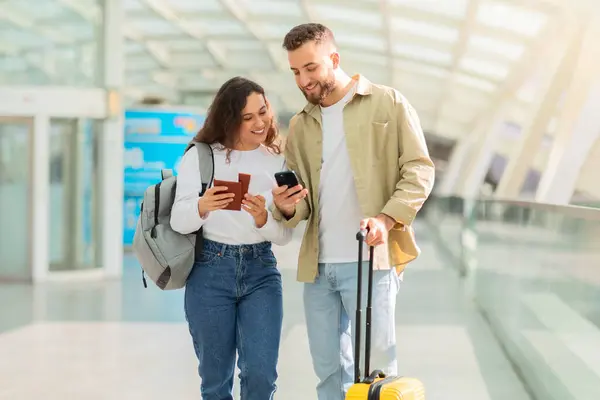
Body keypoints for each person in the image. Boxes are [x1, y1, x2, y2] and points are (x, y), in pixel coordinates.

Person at [270, 23, 435, 400]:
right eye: (295, 71)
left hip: (371, 262)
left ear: (334, 58)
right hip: (318, 267)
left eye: (310, 68)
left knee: (378, 378)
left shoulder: (388, 103)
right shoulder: (300, 124)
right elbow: (304, 203)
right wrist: (286, 207)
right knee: (328, 376)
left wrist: (386, 219)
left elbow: (420, 169)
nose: (303, 80)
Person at [171, 76, 292, 400]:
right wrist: (202, 205)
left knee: (261, 376)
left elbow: (284, 236)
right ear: (229, 119)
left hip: (261, 270)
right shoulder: (200, 156)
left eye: (263, 112)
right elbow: (179, 222)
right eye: (247, 117)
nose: (260, 123)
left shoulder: (278, 161)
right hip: (209, 271)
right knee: (215, 380)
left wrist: (263, 218)